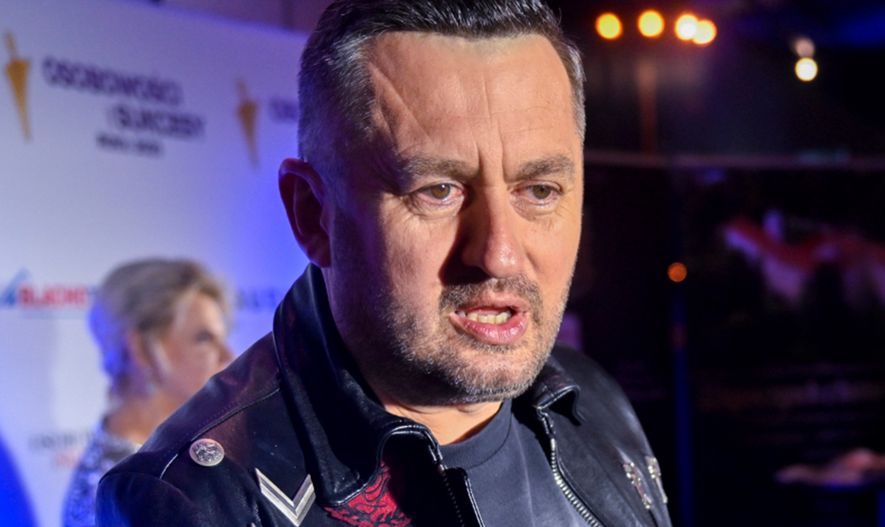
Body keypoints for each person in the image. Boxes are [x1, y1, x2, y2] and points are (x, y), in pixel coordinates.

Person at [97, 2, 672, 525]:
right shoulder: (198, 501)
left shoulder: (588, 397)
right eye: (438, 191)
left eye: (540, 190)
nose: (499, 253)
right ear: (312, 215)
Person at [62, 258, 232, 527]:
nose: (228, 356)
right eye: (203, 339)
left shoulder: (169, 459)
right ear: (141, 349)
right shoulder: (113, 492)